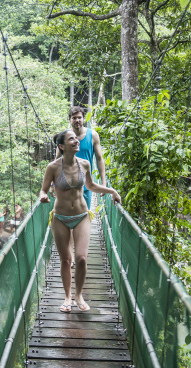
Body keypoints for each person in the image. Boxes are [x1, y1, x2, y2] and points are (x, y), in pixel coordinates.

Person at [40, 129, 121, 313]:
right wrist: (43, 196)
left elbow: (91, 186)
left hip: (82, 215)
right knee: (66, 260)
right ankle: (67, 297)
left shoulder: (84, 164)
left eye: (76, 138)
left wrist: (112, 191)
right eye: (71, 139)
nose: (77, 141)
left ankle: (79, 296)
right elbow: (43, 189)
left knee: (82, 258)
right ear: (62, 146)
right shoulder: (52, 167)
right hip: (59, 218)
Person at [55, 106, 107, 265]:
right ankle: (70, 254)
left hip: (86, 186)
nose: (77, 120)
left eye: (79, 117)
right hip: (66, 186)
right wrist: (52, 184)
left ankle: (80, 251)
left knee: (82, 218)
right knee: (68, 219)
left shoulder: (93, 135)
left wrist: (103, 183)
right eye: (74, 118)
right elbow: (56, 161)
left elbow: (99, 159)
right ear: (69, 120)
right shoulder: (64, 137)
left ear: (83, 118)